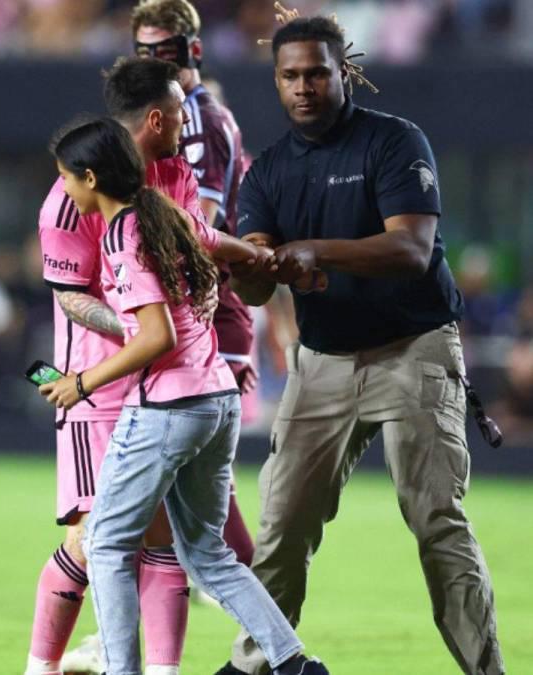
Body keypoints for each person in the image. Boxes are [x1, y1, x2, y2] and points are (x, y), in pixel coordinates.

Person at [214, 14, 504, 675]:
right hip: (322, 362)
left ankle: (487, 671)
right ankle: (257, 664)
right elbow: (257, 284)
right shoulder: (267, 174)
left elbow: (411, 248)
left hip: (414, 350)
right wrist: (246, 263)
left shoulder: (393, 142)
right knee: (282, 521)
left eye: (317, 72)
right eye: (290, 76)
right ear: (276, 81)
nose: (304, 87)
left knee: (436, 520)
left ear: (343, 71)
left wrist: (314, 251)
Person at [42, 116, 328, 675]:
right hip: (216, 399)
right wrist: (260, 258)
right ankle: (294, 664)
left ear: (91, 178)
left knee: (105, 544)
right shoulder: (164, 213)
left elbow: (156, 337)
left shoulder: (122, 234)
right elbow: (215, 241)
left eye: (67, 177)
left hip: (167, 407)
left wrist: (82, 382)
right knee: (207, 553)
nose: (66, 189)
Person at [28, 56, 237, 675]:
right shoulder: (67, 202)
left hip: (167, 382)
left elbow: (195, 246)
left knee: (162, 536)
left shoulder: (175, 171)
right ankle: (41, 666)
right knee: (89, 539)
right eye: (179, 111)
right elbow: (70, 296)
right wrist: (144, 330)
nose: (187, 122)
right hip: (96, 387)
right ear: (156, 118)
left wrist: (230, 275)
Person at [131, 0, 257, 572]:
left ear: (193, 51)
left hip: (205, 311)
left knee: (178, 475)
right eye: (145, 54)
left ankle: (259, 596)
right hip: (196, 312)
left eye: (166, 52)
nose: (157, 64)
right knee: (188, 484)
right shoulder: (175, 118)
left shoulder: (198, 119)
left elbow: (196, 227)